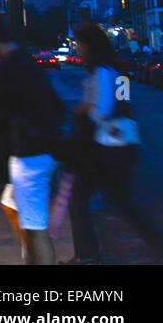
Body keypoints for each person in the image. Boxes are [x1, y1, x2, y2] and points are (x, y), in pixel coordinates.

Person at [0, 12, 64, 265]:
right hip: (35, 151)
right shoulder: (26, 62)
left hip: (31, 155)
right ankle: (29, 256)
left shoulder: (12, 68)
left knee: (36, 227)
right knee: (11, 204)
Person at [63, 23, 140, 265]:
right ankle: (87, 255)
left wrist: (83, 108)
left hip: (104, 149)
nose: (77, 49)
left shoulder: (102, 74)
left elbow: (102, 111)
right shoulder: (106, 71)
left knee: (80, 200)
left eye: (79, 44)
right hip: (109, 148)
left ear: (90, 46)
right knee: (119, 205)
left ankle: (87, 256)